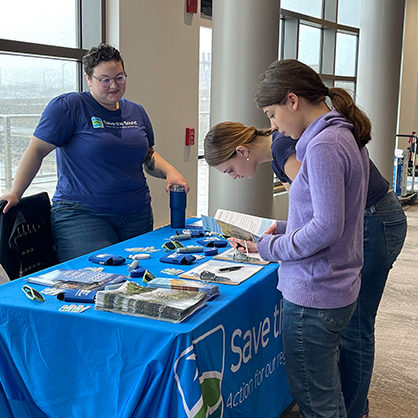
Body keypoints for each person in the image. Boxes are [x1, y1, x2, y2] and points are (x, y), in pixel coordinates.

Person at [205, 58, 373, 418]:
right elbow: (326, 215)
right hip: (331, 286)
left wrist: (268, 248)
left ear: (293, 101)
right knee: (326, 392)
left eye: (272, 114)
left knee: (316, 399)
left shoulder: (323, 145)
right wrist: (281, 229)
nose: (272, 125)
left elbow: (327, 228)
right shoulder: (340, 134)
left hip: (316, 291)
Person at [0, 43, 190, 262]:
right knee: (98, 279)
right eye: (104, 80)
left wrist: (170, 172)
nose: (113, 85)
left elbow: (147, 155)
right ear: (89, 79)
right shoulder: (70, 106)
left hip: (137, 213)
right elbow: (36, 151)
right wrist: (16, 192)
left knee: (140, 277)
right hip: (82, 215)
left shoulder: (136, 111)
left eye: (119, 77)